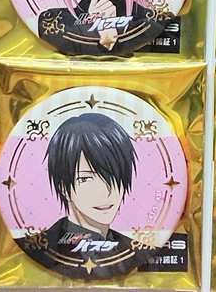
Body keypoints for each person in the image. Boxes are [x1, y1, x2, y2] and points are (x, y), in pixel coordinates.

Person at [37, 113, 139, 274]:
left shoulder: (135, 249)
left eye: (112, 175)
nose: (106, 192)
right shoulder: (40, 245)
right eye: (85, 179)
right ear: (63, 187)